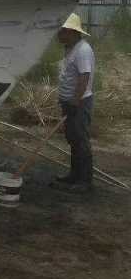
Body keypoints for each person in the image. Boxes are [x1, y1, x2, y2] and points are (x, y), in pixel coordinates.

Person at [53, 12, 95, 193]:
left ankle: (84, 181)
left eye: (62, 31)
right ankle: (74, 175)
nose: (59, 34)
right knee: (73, 139)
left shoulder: (83, 50)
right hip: (70, 102)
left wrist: (75, 102)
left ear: (72, 31)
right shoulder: (70, 48)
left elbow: (84, 77)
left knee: (80, 140)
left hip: (79, 103)